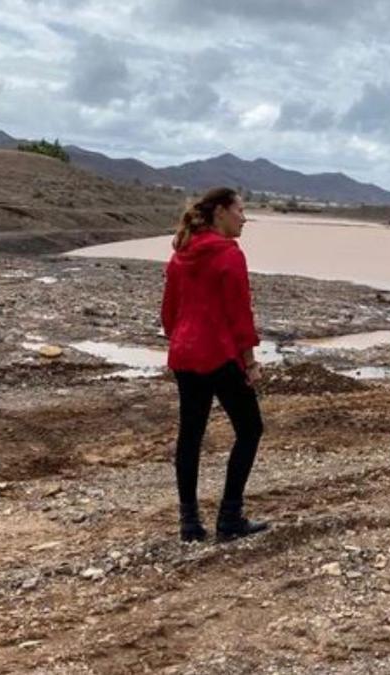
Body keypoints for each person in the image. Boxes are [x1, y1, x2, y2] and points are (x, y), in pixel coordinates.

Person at [161, 187, 269, 543]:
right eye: (240, 210)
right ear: (221, 212)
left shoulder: (181, 252)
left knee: (190, 435)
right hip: (219, 354)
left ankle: (189, 523)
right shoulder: (228, 255)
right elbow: (240, 313)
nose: (244, 217)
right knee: (250, 428)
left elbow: (169, 311)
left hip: (185, 353)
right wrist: (250, 362)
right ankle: (230, 515)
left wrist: (178, 339)